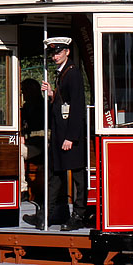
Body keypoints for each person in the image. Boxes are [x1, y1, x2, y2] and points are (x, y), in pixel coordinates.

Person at [31, 37, 90, 230]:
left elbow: (77, 107)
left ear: (67, 52)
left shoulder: (72, 74)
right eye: (53, 53)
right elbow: (63, 102)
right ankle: (45, 215)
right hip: (60, 134)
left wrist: (71, 137)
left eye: (58, 52)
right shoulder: (62, 73)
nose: (55, 56)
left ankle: (78, 215)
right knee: (55, 175)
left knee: (78, 176)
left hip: (69, 136)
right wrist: (51, 95)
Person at [20, 78, 45, 215]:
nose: (23, 94)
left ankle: (23, 190)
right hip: (31, 144)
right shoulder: (27, 106)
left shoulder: (42, 106)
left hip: (41, 146)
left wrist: (25, 136)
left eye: (24, 91)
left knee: (16, 152)